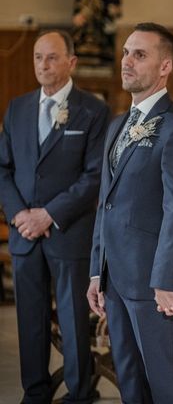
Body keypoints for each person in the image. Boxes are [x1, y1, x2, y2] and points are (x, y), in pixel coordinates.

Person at [87, 22, 173, 403]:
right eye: (126, 53)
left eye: (140, 54)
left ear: (165, 66)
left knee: (167, 383)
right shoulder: (118, 124)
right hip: (114, 278)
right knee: (130, 383)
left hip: (153, 283)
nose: (127, 61)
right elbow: (106, 202)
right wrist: (95, 272)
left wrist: (165, 279)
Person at [0, 30, 109, 403]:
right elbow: (4, 169)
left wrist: (48, 215)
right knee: (29, 320)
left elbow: (94, 176)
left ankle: (79, 393)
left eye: (51, 57)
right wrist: (19, 216)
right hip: (25, 236)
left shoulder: (93, 110)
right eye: (37, 58)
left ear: (71, 62)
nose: (43, 65)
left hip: (69, 232)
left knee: (73, 317)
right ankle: (35, 392)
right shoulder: (18, 108)